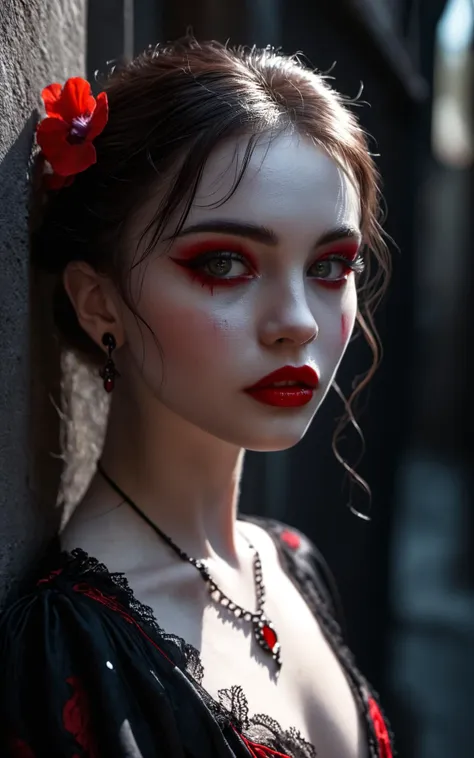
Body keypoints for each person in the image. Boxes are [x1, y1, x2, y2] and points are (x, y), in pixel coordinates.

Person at [0, 37, 393, 758]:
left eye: (331, 266)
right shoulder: (73, 652)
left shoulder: (293, 562)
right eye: (223, 263)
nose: (298, 322)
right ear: (99, 304)